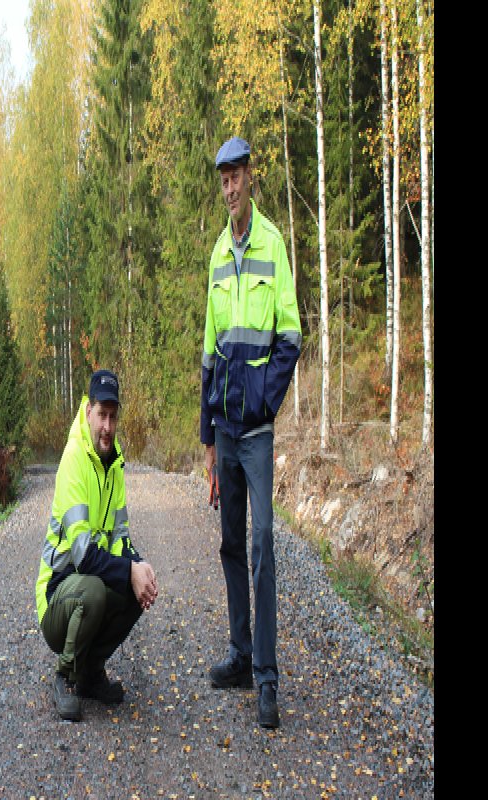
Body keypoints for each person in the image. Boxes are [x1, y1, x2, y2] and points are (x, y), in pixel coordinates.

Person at [199, 135, 302, 728]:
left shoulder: (272, 244)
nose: (230, 188)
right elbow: (209, 354)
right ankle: (240, 654)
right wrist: (208, 441)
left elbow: (290, 334)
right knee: (231, 544)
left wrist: (265, 400)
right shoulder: (216, 255)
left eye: (236, 176)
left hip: (257, 431)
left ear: (250, 179)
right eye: (223, 180)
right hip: (226, 431)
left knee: (262, 543)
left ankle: (266, 674)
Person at [35, 369, 159, 721]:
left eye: (113, 417)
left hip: (83, 586)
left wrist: (140, 566)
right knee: (94, 590)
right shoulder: (74, 459)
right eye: (101, 415)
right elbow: (84, 556)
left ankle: (91, 672)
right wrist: (128, 570)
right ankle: (66, 676)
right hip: (58, 596)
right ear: (88, 411)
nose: (107, 425)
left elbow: (120, 539)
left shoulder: (114, 464)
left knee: (138, 587)